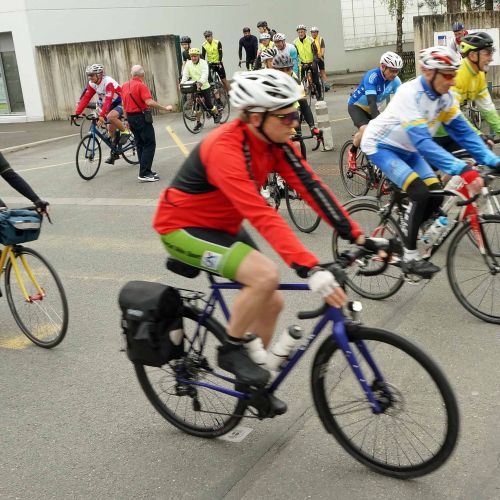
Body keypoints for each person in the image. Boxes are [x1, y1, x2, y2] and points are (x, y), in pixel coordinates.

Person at [153, 69, 380, 394]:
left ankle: (254, 389)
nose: (294, 123)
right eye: (287, 116)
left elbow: (312, 188)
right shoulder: (224, 148)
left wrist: (358, 237)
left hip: (223, 227)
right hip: (181, 228)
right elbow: (261, 215)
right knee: (264, 276)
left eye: (295, 113)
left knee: (272, 301)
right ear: (256, 117)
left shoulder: (275, 143)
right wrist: (310, 268)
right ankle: (231, 349)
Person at [361, 46, 499, 278]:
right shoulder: (409, 93)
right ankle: (410, 257)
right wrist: (463, 170)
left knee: (436, 195)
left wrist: (492, 160)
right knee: (420, 192)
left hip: (409, 149)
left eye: (454, 74)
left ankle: (403, 236)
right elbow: (424, 143)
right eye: (447, 75)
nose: (452, 81)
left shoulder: (445, 97)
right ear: (428, 72)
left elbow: (464, 132)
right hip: (382, 146)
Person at [435, 31, 499, 153]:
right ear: (473, 55)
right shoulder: (457, 75)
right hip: (434, 131)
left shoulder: (479, 75)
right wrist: (477, 134)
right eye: (487, 53)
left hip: (451, 130)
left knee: (480, 154)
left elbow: (488, 109)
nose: (490, 58)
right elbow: (452, 113)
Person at [347, 52, 403, 170]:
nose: (394, 74)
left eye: (397, 71)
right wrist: (379, 123)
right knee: (366, 130)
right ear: (383, 67)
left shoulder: (396, 81)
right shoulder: (372, 76)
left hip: (374, 108)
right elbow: (371, 103)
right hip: (357, 106)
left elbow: (402, 102)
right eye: (392, 71)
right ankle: (352, 151)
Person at [121, 65, 173, 182]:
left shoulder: (124, 85)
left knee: (140, 144)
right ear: (143, 74)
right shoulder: (141, 86)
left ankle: (145, 170)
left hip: (130, 117)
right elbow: (149, 102)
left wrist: (125, 120)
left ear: (131, 74)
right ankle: (144, 173)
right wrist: (165, 108)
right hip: (141, 117)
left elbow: (123, 104)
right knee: (149, 144)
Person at [73, 64, 129, 165]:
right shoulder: (92, 83)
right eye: (88, 75)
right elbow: (86, 98)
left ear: (99, 75)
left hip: (120, 102)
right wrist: (77, 113)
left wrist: (102, 116)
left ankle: (125, 131)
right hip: (109, 104)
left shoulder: (108, 82)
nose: (89, 77)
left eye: (92, 75)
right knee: (110, 131)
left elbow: (108, 100)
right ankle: (115, 151)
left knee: (110, 117)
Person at [181, 47, 221, 132]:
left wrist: (201, 82)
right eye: (192, 56)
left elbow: (205, 74)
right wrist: (182, 83)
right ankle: (198, 122)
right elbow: (185, 74)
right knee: (196, 106)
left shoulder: (203, 63)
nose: (193, 58)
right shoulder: (188, 63)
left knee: (209, 105)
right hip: (194, 86)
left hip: (204, 85)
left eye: (195, 56)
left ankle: (217, 114)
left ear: (198, 56)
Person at [310, 27, 330, 92]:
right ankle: (313, 85)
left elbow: (323, 47)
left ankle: (326, 85)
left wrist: (321, 55)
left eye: (315, 32)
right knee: (312, 72)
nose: (314, 33)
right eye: (312, 32)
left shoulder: (320, 39)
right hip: (312, 58)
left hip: (320, 57)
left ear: (317, 32)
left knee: (322, 71)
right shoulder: (309, 39)